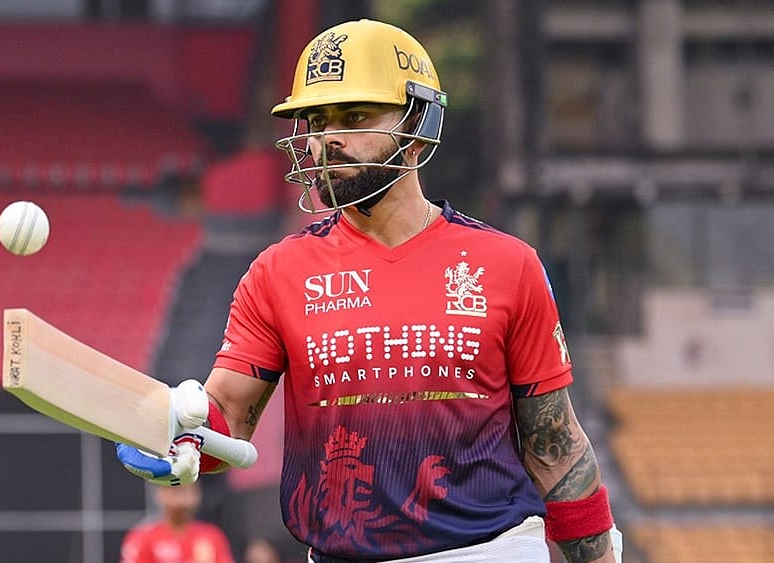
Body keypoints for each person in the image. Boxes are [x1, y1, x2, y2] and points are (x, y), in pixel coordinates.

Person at [117, 18, 623, 563]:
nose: (325, 138)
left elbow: (557, 447)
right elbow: (228, 415)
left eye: (353, 116)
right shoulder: (275, 273)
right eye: (315, 120)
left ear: (418, 123)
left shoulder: (507, 265)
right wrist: (184, 436)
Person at [120, 480, 235, 563]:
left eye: (190, 491)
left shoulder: (212, 536)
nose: (184, 499)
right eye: (176, 491)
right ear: (160, 493)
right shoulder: (142, 536)